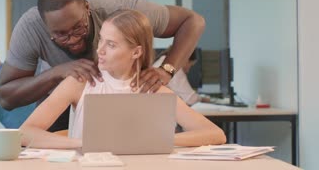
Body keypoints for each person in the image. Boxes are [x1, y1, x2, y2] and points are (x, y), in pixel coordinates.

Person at [0, 0, 206, 129]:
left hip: (133, 103)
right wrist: (56, 73)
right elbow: (8, 100)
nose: (72, 40)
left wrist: (166, 70)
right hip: (66, 108)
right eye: (61, 35)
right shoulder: (32, 30)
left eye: (78, 29)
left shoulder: (120, 11)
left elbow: (192, 21)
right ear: (45, 27)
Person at [19, 9, 225, 148]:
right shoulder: (80, 83)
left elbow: (215, 134)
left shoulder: (152, 89)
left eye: (111, 45)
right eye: (101, 40)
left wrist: (156, 142)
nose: (99, 50)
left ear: (136, 52)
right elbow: (25, 133)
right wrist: (82, 143)